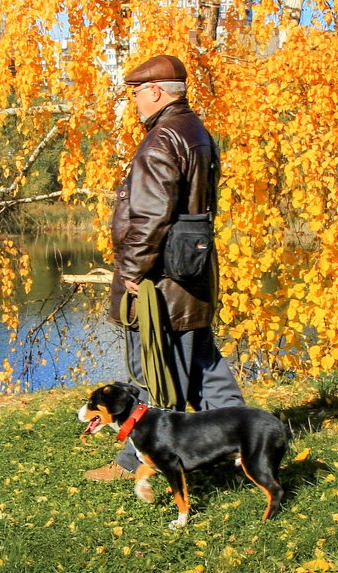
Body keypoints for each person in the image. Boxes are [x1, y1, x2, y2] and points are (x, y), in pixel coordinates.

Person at [84, 54, 245, 495]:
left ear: (155, 90)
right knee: (205, 366)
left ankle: (133, 462)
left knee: (155, 373)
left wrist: (132, 269)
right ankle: (242, 444)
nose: (133, 101)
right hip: (192, 277)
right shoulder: (196, 132)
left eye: (136, 92)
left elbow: (152, 215)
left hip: (163, 284)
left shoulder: (161, 140)